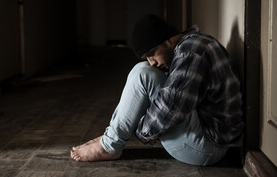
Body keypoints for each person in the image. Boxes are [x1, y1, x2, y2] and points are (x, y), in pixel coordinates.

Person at [70, 14, 244, 166]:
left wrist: (140, 130)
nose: (152, 61)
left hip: (207, 148)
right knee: (144, 69)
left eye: (152, 53)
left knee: (143, 73)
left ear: (169, 39)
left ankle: (110, 144)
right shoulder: (193, 43)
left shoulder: (191, 52)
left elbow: (172, 107)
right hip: (210, 138)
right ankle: (111, 139)